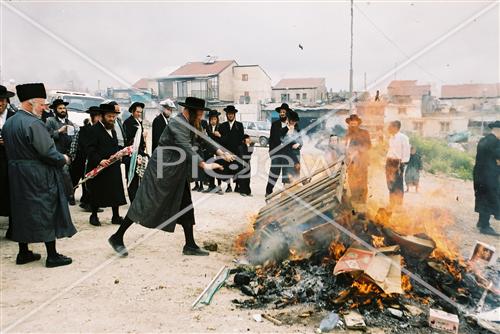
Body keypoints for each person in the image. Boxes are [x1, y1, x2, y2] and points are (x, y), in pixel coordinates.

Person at [108, 97, 234, 257]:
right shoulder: (177, 123)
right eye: (200, 113)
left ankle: (190, 244)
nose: (201, 117)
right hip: (162, 169)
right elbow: (185, 146)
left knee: (186, 206)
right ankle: (117, 237)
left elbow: (204, 138)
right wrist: (204, 165)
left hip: (177, 172)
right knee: (145, 203)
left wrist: (220, 152)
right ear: (190, 111)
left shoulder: (193, 123)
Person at [3, 83, 75, 267]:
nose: (45, 108)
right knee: (46, 209)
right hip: (38, 175)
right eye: (42, 104)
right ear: (30, 103)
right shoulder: (34, 124)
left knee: (21, 211)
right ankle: (52, 255)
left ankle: (23, 252)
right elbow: (47, 152)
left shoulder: (9, 122)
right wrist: (64, 158)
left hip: (16, 175)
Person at [86, 103, 127, 226]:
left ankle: (115, 216)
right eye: (109, 116)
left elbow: (114, 146)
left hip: (112, 165)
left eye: (113, 116)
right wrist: (99, 160)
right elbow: (89, 149)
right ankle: (94, 215)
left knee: (115, 190)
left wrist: (120, 154)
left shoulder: (113, 130)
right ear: (102, 116)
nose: (112, 119)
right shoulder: (93, 130)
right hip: (99, 166)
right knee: (97, 191)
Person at [45, 98, 78, 205]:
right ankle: (70, 196)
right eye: (60, 108)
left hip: (69, 153)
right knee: (64, 172)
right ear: (55, 110)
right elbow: (46, 135)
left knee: (72, 174)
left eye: (64, 108)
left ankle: (69, 193)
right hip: (56, 152)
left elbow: (73, 138)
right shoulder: (50, 121)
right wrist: (59, 131)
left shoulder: (70, 122)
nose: (63, 110)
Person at [70, 106, 102, 212]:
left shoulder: (100, 130)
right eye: (98, 116)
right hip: (81, 158)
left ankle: (88, 201)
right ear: (93, 117)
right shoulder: (84, 129)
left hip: (92, 159)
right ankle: (74, 196)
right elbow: (80, 144)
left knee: (90, 181)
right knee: (76, 179)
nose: (100, 119)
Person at [473, 120, 500, 236]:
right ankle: (485, 226)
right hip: (489, 175)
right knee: (489, 198)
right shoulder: (495, 142)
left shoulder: (484, 140)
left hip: (479, 174)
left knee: (482, 197)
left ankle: (481, 222)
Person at [0, 85, 16, 239]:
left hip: (11, 161)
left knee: (12, 194)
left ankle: (13, 228)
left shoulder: (14, 117)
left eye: (2, 100)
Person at [345, 114, 371, 206]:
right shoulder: (347, 134)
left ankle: (362, 200)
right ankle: (354, 198)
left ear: (358, 123)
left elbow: (368, 145)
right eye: (351, 123)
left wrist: (357, 151)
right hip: (350, 163)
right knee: (352, 180)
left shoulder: (365, 133)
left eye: (354, 123)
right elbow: (346, 148)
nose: (353, 125)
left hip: (362, 161)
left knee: (362, 180)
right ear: (349, 124)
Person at [123, 102, 147, 202]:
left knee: (139, 177)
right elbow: (128, 141)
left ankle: (138, 199)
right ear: (132, 111)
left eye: (140, 112)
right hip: (131, 155)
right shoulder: (128, 123)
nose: (139, 114)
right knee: (131, 178)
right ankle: (133, 201)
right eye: (137, 112)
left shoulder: (138, 122)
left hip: (140, 153)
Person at [265, 103, 290, 197]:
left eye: (284, 112)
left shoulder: (292, 124)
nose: (282, 113)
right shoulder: (275, 124)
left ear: (287, 113)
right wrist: (271, 152)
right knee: (274, 172)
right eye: (281, 112)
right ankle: (268, 191)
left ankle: (286, 192)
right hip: (277, 152)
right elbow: (272, 139)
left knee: (287, 173)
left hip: (288, 153)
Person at [219, 105, 244, 192]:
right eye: (229, 114)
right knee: (227, 169)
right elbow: (221, 140)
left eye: (232, 114)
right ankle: (228, 186)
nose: (230, 115)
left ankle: (237, 185)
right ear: (226, 115)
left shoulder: (239, 125)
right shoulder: (222, 126)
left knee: (237, 168)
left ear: (234, 115)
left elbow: (241, 139)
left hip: (236, 151)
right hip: (226, 151)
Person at [385, 120, 411, 207]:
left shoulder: (403, 138)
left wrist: (402, 164)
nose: (388, 128)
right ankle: (392, 203)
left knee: (398, 184)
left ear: (396, 127)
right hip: (389, 161)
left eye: (390, 126)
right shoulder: (391, 138)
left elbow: (406, 151)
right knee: (390, 183)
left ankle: (399, 204)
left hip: (398, 162)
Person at [204, 109, 224, 194]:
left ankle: (219, 187)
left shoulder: (221, 127)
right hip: (209, 151)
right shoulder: (207, 128)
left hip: (218, 152)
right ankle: (211, 186)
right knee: (210, 168)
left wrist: (220, 135)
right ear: (209, 120)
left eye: (215, 119)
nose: (213, 121)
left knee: (218, 169)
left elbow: (224, 140)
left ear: (217, 119)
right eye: (211, 119)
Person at [281, 110, 303, 184]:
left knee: (296, 173)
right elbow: (283, 141)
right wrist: (290, 132)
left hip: (296, 153)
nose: (293, 123)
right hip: (287, 154)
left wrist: (299, 145)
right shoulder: (283, 129)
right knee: (288, 175)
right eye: (292, 121)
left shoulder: (298, 130)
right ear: (288, 120)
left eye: (295, 121)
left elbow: (301, 141)